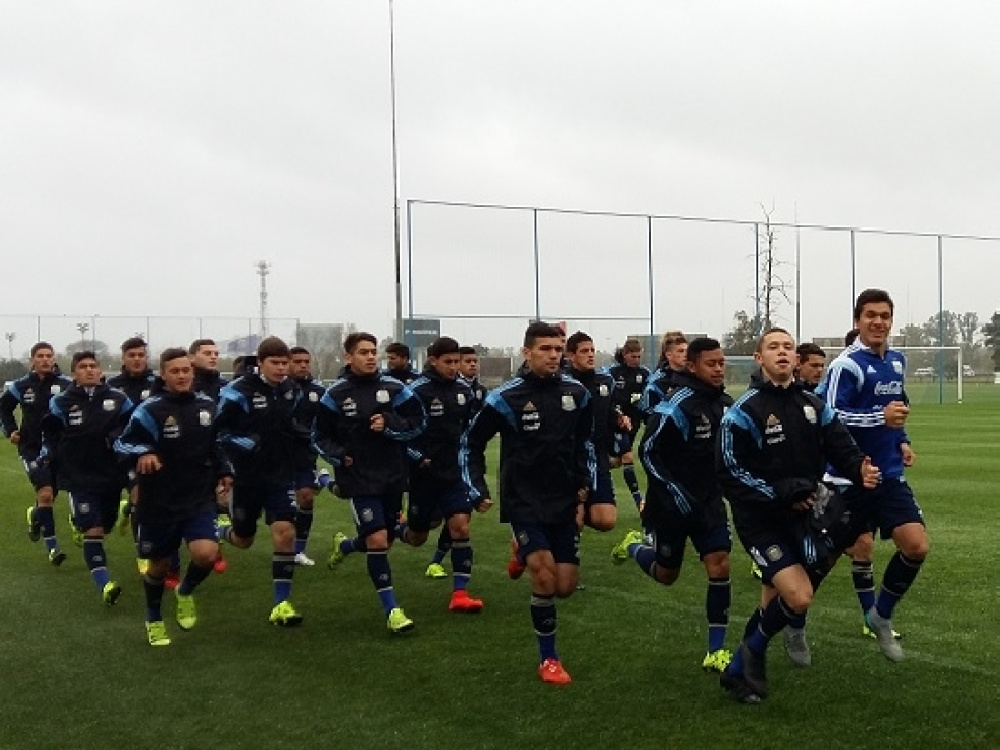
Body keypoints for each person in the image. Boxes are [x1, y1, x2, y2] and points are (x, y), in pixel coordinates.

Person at [716, 328, 879, 703]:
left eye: (788, 347)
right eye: (773, 347)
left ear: (796, 358)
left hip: (804, 515)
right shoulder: (742, 413)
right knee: (799, 596)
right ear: (759, 358)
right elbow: (730, 473)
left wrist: (860, 469)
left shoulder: (813, 405)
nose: (782, 352)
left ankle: (737, 670)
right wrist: (780, 493)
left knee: (780, 598)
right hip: (761, 520)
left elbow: (842, 446)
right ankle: (752, 653)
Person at [460, 321, 595, 684]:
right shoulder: (505, 398)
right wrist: (476, 488)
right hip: (524, 500)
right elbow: (470, 443)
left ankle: (520, 552)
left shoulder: (577, 394)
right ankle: (549, 659)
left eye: (557, 349)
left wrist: (585, 487)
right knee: (544, 577)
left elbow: (585, 444)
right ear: (527, 352)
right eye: (545, 349)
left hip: (563, 498)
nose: (553, 355)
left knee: (565, 587)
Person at [816, 288, 926, 662]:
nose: (879, 322)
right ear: (857, 320)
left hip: (888, 475)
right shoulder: (845, 365)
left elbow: (895, 408)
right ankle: (792, 624)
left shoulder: (897, 361)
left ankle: (880, 615)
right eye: (871, 315)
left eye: (885, 316)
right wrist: (880, 418)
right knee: (820, 560)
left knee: (916, 546)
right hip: (846, 478)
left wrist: (902, 439)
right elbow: (830, 417)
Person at [612, 337, 734, 672]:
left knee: (720, 565)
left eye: (721, 363)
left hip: (708, 503)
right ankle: (635, 546)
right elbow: (648, 452)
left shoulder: (726, 404)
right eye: (711, 364)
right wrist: (674, 491)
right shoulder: (675, 405)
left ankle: (716, 650)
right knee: (667, 575)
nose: (718, 369)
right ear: (692, 366)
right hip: (671, 505)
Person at [115, 348, 230, 646]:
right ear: (163, 375)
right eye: (175, 371)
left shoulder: (207, 407)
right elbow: (122, 443)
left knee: (206, 554)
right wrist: (145, 452)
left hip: (198, 496)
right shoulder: (149, 410)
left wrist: (225, 472)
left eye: (185, 370)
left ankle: (185, 590)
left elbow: (217, 445)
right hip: (158, 500)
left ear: (192, 372)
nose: (181, 375)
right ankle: (154, 617)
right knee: (159, 566)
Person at [315, 332, 426, 633]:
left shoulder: (395, 389)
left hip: (392, 476)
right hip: (358, 479)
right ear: (348, 357)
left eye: (373, 351)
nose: (370, 357)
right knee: (377, 540)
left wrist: (390, 424)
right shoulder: (335, 394)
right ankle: (392, 610)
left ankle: (346, 545)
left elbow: (419, 423)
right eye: (363, 352)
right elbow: (319, 436)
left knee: (384, 540)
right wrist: (340, 455)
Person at [214, 336, 308, 626]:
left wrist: (300, 437)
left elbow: (292, 423)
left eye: (284, 363)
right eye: (275, 363)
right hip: (246, 476)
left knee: (285, 532)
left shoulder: (292, 390)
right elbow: (218, 432)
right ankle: (220, 532)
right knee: (244, 539)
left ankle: (281, 603)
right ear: (260, 363)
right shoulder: (237, 392)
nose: (281, 368)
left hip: (280, 474)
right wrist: (246, 443)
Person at [394, 336, 485, 612]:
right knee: (418, 536)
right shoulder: (415, 391)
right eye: (448, 362)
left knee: (461, 526)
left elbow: (471, 428)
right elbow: (398, 431)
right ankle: (396, 528)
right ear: (433, 361)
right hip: (424, 475)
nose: (454, 367)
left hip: (454, 473)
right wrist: (418, 457)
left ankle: (460, 593)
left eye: (457, 361)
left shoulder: (464, 390)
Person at [41, 351, 133, 604]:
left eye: (93, 366)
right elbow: (51, 432)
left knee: (105, 526)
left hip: (110, 474)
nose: (89, 370)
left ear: (101, 371)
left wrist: (115, 437)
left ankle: (79, 520)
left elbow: (131, 427)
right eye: (83, 366)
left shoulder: (119, 399)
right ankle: (105, 584)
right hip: (78, 476)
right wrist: (47, 453)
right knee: (94, 530)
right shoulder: (61, 401)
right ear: (74, 373)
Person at [0, 342, 73, 566]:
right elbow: (4, 408)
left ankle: (35, 514)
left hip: (59, 449)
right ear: (32, 360)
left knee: (51, 495)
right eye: (40, 356)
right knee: (45, 494)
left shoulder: (66, 385)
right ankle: (53, 548)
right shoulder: (21, 386)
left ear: (54, 358)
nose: (45, 359)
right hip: (31, 448)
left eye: (49, 355)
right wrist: (11, 430)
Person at [423, 344, 489, 578]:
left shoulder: (477, 391)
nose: (471, 365)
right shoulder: (425, 390)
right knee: (423, 529)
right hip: (430, 470)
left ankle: (440, 567)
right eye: (466, 361)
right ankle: (354, 543)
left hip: (461, 467)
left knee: (460, 519)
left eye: (474, 361)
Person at [108, 336, 161, 567]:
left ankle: (130, 511)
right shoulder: (112, 386)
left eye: (141, 355)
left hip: (151, 451)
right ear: (123, 358)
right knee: (137, 496)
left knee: (150, 499)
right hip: (123, 451)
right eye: (132, 355)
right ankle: (142, 551)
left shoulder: (157, 383)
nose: (137, 359)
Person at [566, 331, 625, 533]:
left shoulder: (606, 381)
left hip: (598, 458)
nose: (590, 354)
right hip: (569, 459)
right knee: (575, 520)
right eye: (584, 351)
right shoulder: (562, 383)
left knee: (606, 520)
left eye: (592, 350)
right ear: (571, 356)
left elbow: (611, 414)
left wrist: (620, 423)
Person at [189, 338, 230, 576]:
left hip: (217, 452)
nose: (213, 357)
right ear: (192, 357)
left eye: (215, 353)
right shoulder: (185, 384)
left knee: (217, 501)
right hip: (187, 455)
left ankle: (213, 547)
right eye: (207, 353)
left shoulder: (225, 386)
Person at [288, 346, 326, 566]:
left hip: (305, 454)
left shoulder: (318, 391)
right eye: (297, 361)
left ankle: (299, 550)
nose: (303, 365)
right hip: (278, 455)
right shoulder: (279, 389)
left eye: (306, 361)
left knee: (306, 497)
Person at [608, 338, 651, 515]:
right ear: (625, 355)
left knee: (616, 461)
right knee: (627, 456)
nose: (636, 360)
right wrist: (616, 414)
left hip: (634, 422)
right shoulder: (613, 373)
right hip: (617, 422)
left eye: (639, 356)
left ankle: (597, 467)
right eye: (633, 356)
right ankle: (639, 503)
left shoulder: (645, 374)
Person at [640, 331, 688, 414]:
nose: (686, 355)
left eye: (687, 351)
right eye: (681, 351)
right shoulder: (657, 383)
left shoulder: (695, 377)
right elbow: (648, 412)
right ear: (668, 355)